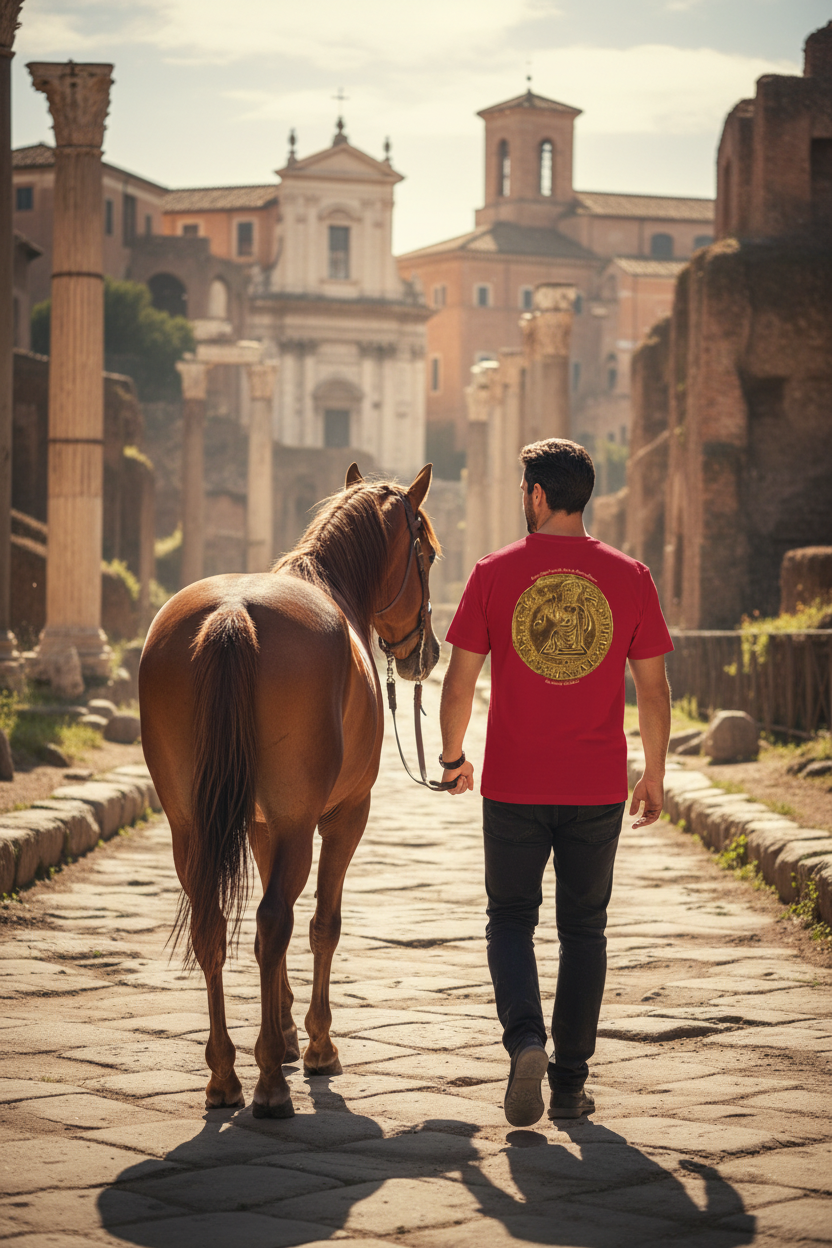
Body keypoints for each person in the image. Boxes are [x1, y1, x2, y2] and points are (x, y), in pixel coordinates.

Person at [438, 438, 672, 1128]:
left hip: (513, 783)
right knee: (585, 930)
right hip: (597, 785)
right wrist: (653, 773)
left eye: (523, 492)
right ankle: (569, 1084)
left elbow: (460, 680)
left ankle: (526, 1042)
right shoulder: (630, 575)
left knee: (510, 919)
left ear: (537, 495)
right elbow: (653, 691)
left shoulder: (493, 571)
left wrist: (454, 757)